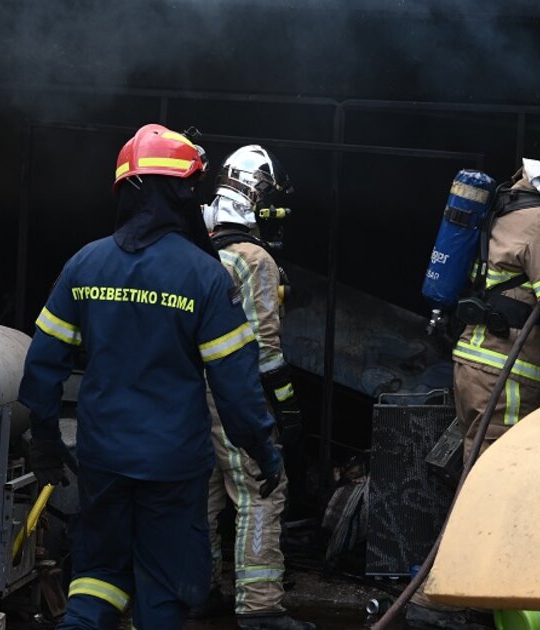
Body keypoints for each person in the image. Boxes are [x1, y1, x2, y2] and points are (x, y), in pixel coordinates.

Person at [18, 124, 283, 629]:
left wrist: (46, 441)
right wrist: (262, 449)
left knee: (96, 576)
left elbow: (43, 363)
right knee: (162, 588)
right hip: (173, 465)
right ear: (183, 193)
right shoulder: (205, 276)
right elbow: (235, 385)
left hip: (102, 457)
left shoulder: (84, 264)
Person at [407, 130, 540, 629]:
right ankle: (444, 600)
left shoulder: (512, 199)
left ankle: (469, 593)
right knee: (492, 489)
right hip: (506, 374)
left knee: (479, 478)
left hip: (475, 363)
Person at [196, 145, 314, 630]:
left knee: (205, 492)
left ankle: (199, 591)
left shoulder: (198, 249)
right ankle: (261, 607)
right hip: (235, 395)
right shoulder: (255, 259)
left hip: (192, 394)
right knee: (262, 489)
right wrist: (287, 410)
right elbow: (265, 350)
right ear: (257, 197)